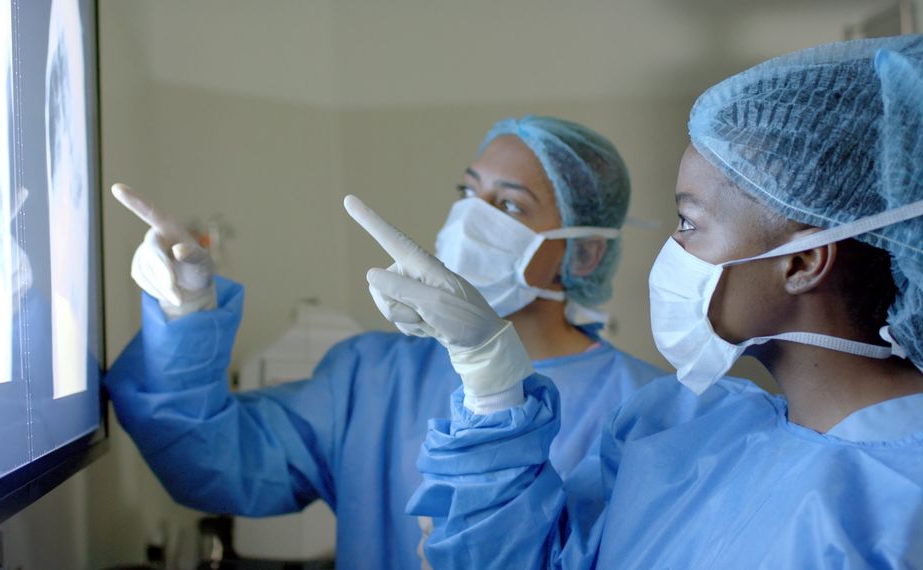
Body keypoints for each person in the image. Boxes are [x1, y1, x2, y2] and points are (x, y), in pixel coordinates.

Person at [353, 35, 923, 568]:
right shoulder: (680, 432)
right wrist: (490, 377)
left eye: (689, 221)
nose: (672, 248)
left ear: (801, 262)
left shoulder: (902, 509)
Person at [104, 117, 664, 569]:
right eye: (467, 191)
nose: (470, 218)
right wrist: (186, 312)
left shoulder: (646, 412)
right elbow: (211, 462)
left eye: (509, 206)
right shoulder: (372, 375)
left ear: (584, 253)